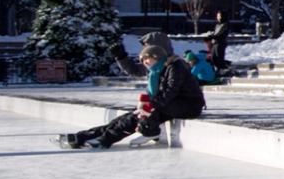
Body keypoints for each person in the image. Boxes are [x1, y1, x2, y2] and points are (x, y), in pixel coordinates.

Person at [59, 36, 205, 149]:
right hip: (170, 104)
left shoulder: (175, 66)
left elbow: (171, 91)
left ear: (156, 56)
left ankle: (108, 139)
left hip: (188, 105)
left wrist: (148, 107)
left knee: (138, 115)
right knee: (127, 118)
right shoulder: (156, 70)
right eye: (143, 60)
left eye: (147, 59)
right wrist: (145, 106)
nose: (145, 63)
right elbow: (137, 73)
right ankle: (83, 137)